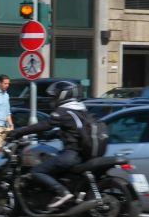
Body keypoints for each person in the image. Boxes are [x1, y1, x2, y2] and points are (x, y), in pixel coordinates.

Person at [6, 81, 94, 210]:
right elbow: (73, 130)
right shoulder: (80, 109)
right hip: (83, 153)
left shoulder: (63, 110)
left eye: (54, 96)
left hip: (71, 153)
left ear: (63, 95)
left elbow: (45, 124)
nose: (52, 100)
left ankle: (62, 192)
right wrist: (52, 135)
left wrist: (19, 131)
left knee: (37, 171)